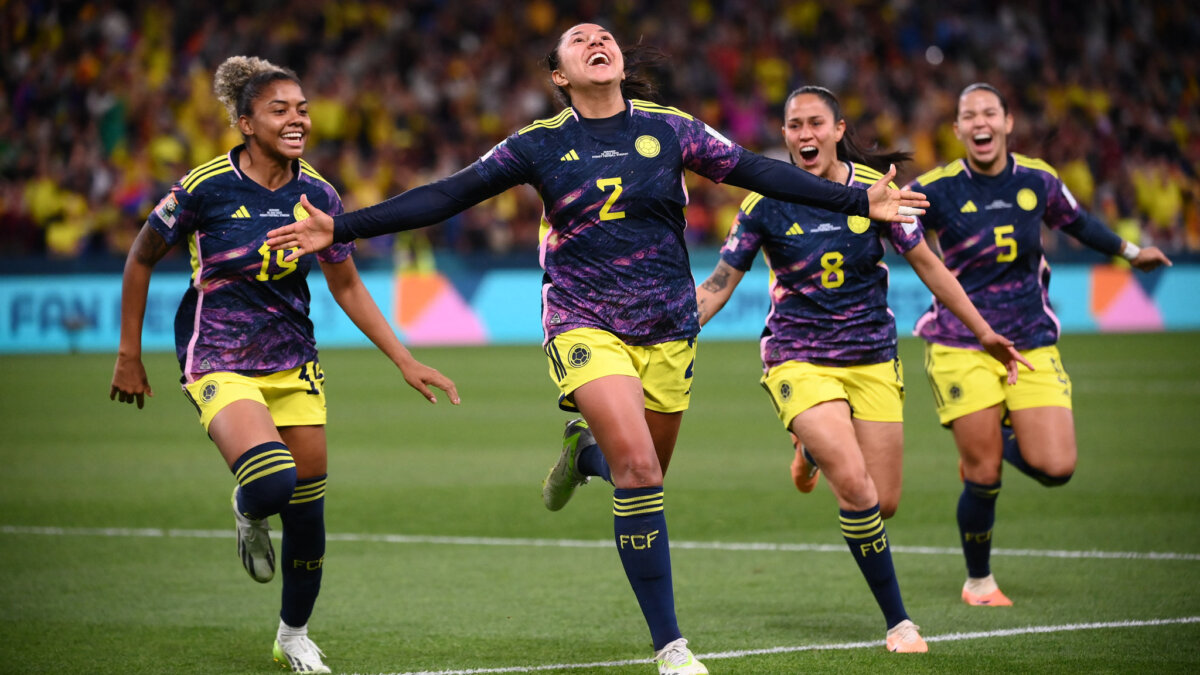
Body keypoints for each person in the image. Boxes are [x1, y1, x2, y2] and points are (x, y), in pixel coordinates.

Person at [264, 24, 929, 674]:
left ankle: (584, 453)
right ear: (560, 75)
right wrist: (342, 226)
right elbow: (449, 194)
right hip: (584, 322)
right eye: (578, 41)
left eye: (603, 36)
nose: (596, 42)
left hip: (668, 327)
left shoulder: (671, 128)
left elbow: (757, 170)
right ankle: (672, 647)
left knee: (643, 473)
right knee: (638, 467)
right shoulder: (540, 144)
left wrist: (855, 199)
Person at [109, 55, 459, 674]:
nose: (297, 119)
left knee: (308, 512)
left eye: (301, 108)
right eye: (280, 110)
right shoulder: (203, 188)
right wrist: (128, 354)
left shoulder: (317, 193)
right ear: (246, 122)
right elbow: (141, 256)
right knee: (272, 484)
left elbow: (346, 285)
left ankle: (292, 635)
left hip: (293, 358)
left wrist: (404, 358)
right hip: (216, 353)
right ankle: (247, 510)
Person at [693, 86, 1029, 653]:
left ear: (838, 128)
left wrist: (984, 330)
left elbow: (928, 263)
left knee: (883, 500)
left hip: (871, 357)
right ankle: (900, 622)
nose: (805, 134)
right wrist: (668, 325)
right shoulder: (763, 201)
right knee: (853, 482)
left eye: (816, 123)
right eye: (795, 125)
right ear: (784, 135)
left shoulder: (876, 195)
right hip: (798, 355)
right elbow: (720, 282)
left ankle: (809, 450)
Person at [906, 82, 1172, 607]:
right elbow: (887, 220)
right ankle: (979, 581)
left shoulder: (1038, 181)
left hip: (1030, 339)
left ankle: (986, 436)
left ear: (1007, 122)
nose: (979, 123)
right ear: (957, 129)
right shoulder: (935, 188)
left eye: (989, 113)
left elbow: (1078, 222)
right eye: (968, 116)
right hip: (962, 340)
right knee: (983, 474)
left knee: (1056, 467)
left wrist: (1130, 251)